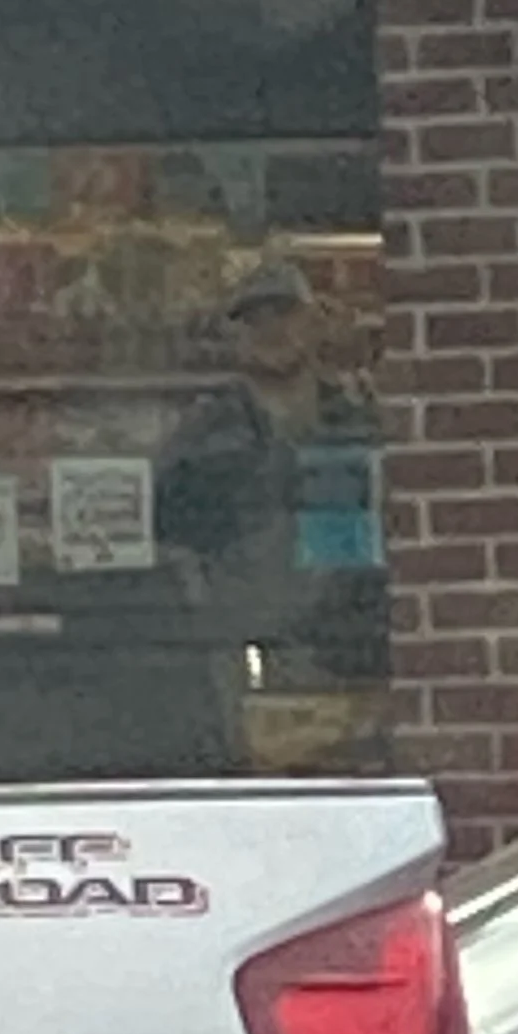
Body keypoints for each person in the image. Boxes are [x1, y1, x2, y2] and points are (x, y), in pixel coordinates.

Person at [156, 256, 382, 761]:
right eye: (253, 319)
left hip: (347, 643)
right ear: (233, 336)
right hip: (244, 642)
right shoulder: (204, 433)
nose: (270, 330)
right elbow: (166, 535)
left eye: (282, 313)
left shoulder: (357, 419)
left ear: (313, 322)